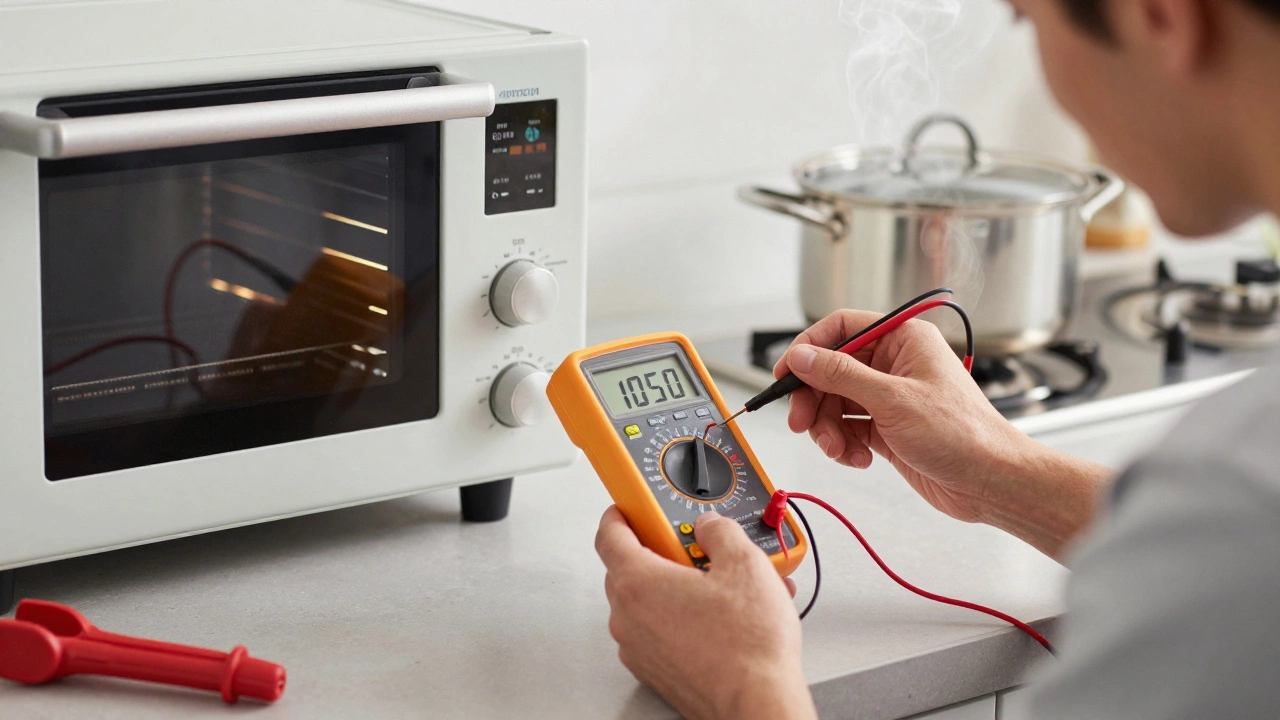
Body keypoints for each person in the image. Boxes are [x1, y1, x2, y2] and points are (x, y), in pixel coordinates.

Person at [593, 0, 1280, 717]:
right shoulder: (1233, 513)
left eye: (1025, 19)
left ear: (1160, 16)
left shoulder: (1235, 500)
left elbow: (1228, 549)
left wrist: (741, 684)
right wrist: (997, 474)